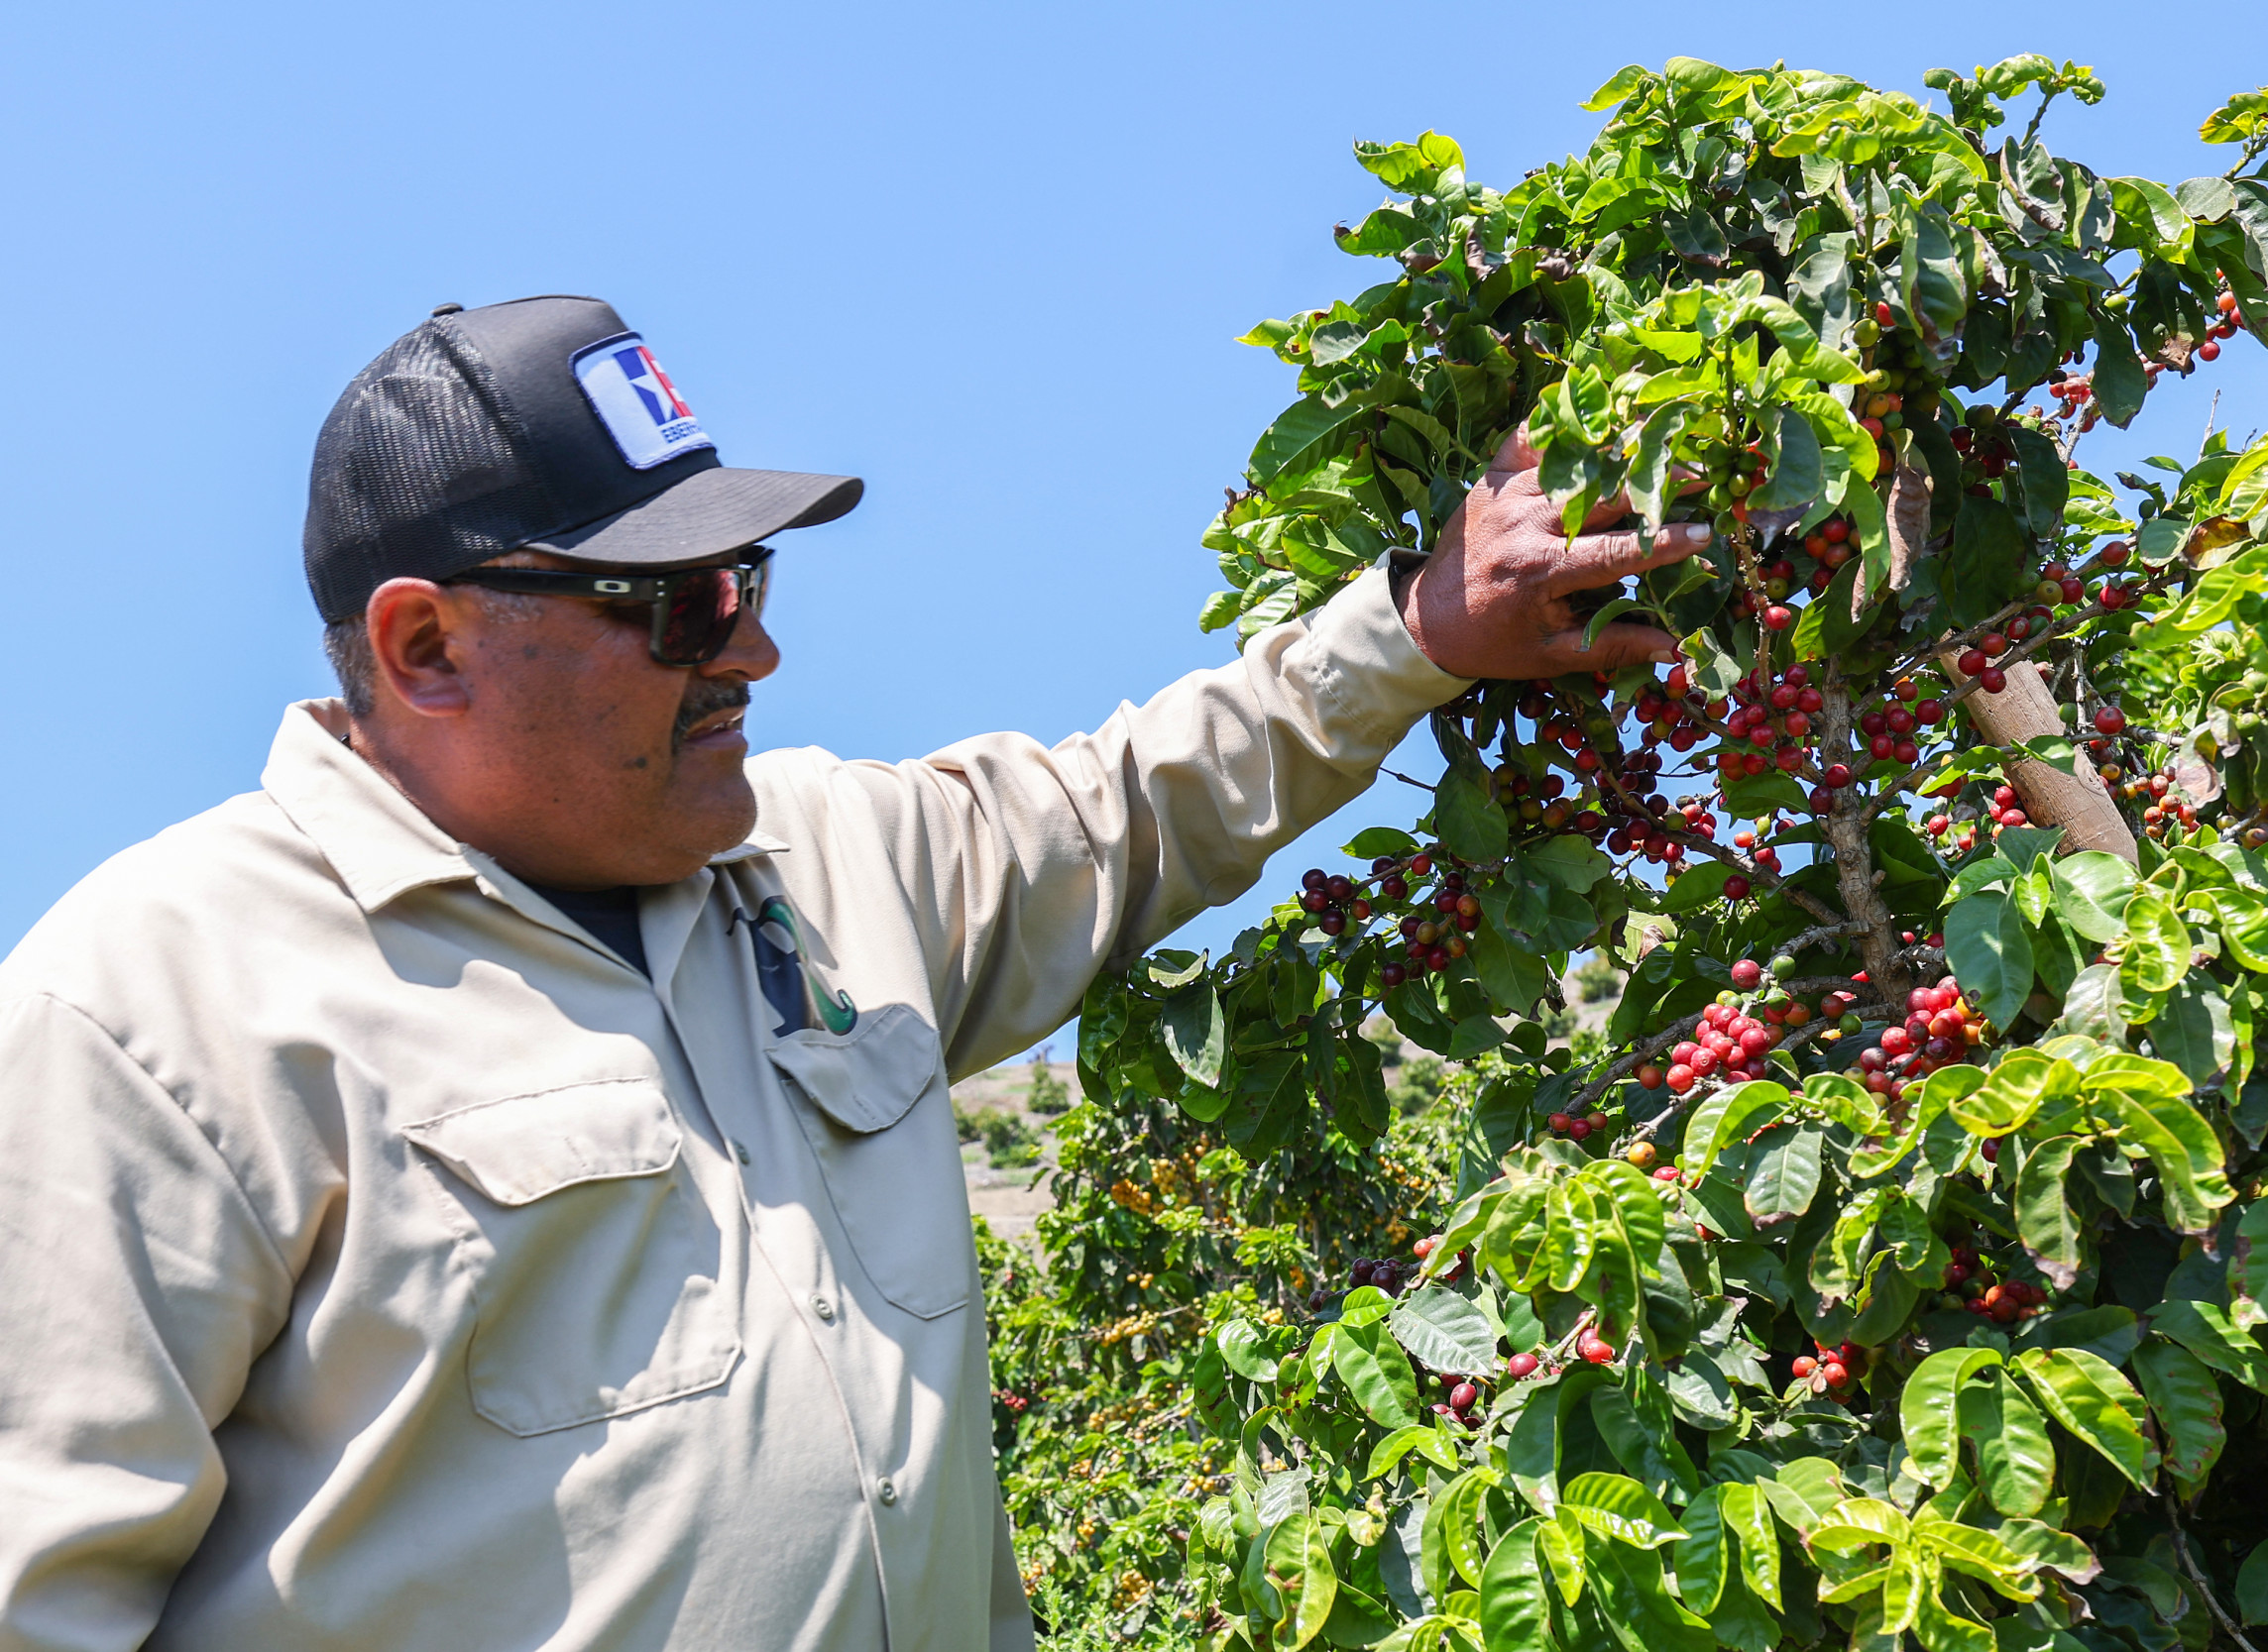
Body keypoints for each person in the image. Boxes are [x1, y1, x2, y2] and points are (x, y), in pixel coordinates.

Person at [0, 294, 1707, 1651]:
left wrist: (1413, 635)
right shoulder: (162, 1003)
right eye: (675, 604)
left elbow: (1134, 806)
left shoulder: (823, 867)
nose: (753, 645)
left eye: (748, 575)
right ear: (426, 647)